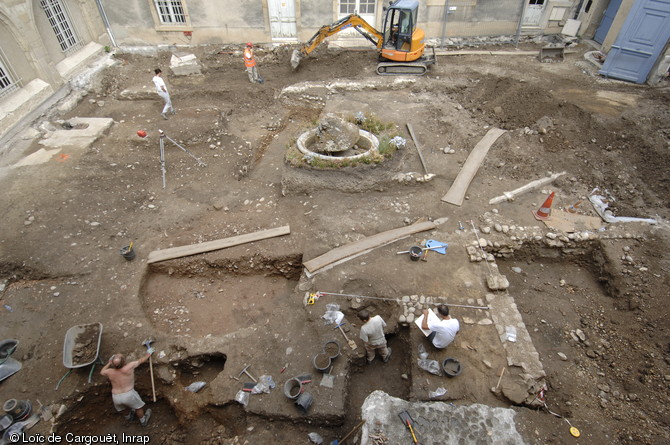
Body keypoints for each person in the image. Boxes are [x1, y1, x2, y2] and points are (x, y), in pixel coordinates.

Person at [100, 348, 154, 426]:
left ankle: (129, 417)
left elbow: (101, 372)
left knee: (122, 408)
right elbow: (141, 360)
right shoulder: (129, 366)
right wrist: (148, 354)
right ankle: (143, 420)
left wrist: (109, 363)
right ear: (124, 362)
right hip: (128, 395)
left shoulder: (109, 372)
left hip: (116, 397)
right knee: (138, 408)